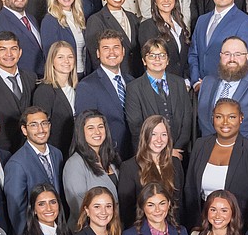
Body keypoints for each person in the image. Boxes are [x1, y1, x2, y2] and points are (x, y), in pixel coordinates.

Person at [185, 98, 248, 228]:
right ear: (212, 118)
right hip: (201, 227)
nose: (225, 122)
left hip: (238, 230)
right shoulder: (200, 145)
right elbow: (190, 190)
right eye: (219, 117)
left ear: (241, 118)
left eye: (232, 117)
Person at [197, 36, 248, 145]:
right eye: (227, 54)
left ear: (247, 57)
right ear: (220, 56)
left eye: (238, 54)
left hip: (244, 155)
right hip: (207, 153)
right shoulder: (207, 82)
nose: (232, 59)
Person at [3, 105, 64, 235]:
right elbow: (16, 210)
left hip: (57, 232)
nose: (41, 130)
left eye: (44, 124)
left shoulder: (57, 154)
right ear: (24, 130)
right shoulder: (16, 164)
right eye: (34, 125)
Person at [124, 39, 192, 156]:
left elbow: (187, 119)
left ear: (168, 60)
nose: (157, 59)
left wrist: (177, 148)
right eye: (152, 56)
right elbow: (136, 127)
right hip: (148, 154)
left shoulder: (179, 83)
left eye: (162, 55)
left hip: (179, 152)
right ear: (144, 61)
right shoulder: (133, 88)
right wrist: (165, 152)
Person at [118, 115, 184, 226]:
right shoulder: (129, 167)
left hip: (172, 228)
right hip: (142, 231)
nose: (159, 139)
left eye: (164, 135)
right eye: (153, 134)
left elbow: (180, 202)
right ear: (145, 136)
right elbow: (126, 211)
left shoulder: (175, 163)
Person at [189, 0, 248, 88]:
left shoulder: (246, 22)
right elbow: (193, 53)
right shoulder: (202, 20)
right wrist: (196, 81)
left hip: (226, 88)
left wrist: (214, 85)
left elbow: (242, 61)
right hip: (200, 88)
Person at [75, 30, 132, 159]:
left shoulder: (132, 81)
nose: (112, 52)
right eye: (106, 48)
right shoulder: (87, 86)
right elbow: (84, 128)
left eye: (116, 47)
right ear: (98, 54)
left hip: (134, 154)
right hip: (106, 157)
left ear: (123, 52)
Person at [62, 110, 120, 221]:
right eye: (90, 128)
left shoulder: (111, 160)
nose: (97, 132)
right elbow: (79, 208)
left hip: (115, 229)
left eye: (100, 127)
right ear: (81, 132)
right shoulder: (74, 164)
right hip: (91, 231)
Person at [85, 0, 141, 78]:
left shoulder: (132, 18)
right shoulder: (96, 20)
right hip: (112, 79)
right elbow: (95, 57)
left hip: (135, 78)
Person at [137, 0, 191, 80]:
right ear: (155, 1)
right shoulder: (148, 26)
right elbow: (151, 63)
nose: (166, 0)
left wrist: (186, 81)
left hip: (182, 85)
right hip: (161, 87)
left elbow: (184, 60)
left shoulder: (180, 25)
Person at [33, 40, 78, 159]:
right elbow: (41, 130)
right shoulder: (45, 91)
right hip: (56, 154)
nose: (66, 61)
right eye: (60, 57)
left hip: (76, 152)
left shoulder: (78, 89)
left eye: (70, 57)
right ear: (52, 61)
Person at [40, 0, 88, 76]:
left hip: (82, 75)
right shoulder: (50, 21)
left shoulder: (79, 18)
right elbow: (51, 56)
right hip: (64, 78)